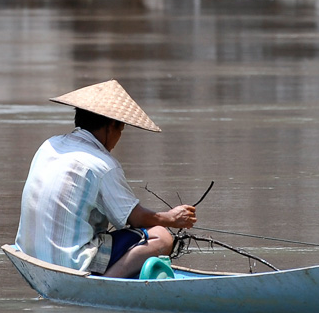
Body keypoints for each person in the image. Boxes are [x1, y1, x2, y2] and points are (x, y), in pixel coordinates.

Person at [15, 79, 197, 278]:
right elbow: (134, 218)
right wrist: (171, 218)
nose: (118, 139)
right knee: (161, 237)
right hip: (70, 261)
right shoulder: (102, 164)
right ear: (111, 126)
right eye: (120, 130)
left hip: (31, 254)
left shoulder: (49, 145)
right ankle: (106, 283)